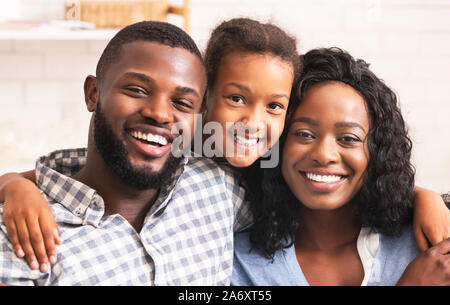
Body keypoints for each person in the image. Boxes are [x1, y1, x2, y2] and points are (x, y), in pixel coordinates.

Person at [0, 19, 449, 281]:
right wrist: (14, 186)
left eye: (274, 106)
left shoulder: (226, 189)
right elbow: (89, 172)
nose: (253, 122)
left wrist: (422, 197)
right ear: (206, 99)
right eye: (236, 98)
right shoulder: (193, 160)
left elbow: (333, 177)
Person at [0, 21, 252, 285]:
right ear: (93, 93)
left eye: (182, 103)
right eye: (137, 90)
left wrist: (11, 181)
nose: (160, 113)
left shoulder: (217, 189)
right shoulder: (18, 233)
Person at [231, 48, 450, 286]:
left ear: (377, 152)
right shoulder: (237, 262)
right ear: (277, 143)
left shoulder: (432, 245)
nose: (324, 155)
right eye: (304, 134)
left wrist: (424, 196)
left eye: (348, 138)